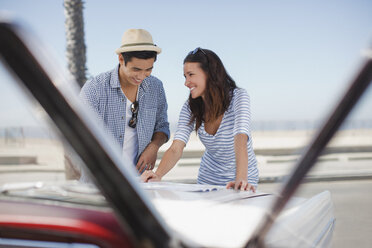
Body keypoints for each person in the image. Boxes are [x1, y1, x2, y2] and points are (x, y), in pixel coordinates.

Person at [141, 47, 259, 191]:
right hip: (208, 178)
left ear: (209, 74)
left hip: (244, 176)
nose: (186, 82)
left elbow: (240, 138)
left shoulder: (238, 97)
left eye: (191, 75)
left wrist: (241, 180)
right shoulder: (190, 107)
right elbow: (176, 147)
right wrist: (158, 175)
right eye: (185, 76)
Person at [79, 29, 170, 179]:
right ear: (121, 59)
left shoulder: (156, 87)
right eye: (136, 69)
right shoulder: (94, 89)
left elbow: (162, 126)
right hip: (100, 180)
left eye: (148, 70)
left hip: (140, 182)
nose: (142, 76)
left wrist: (153, 147)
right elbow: (82, 135)